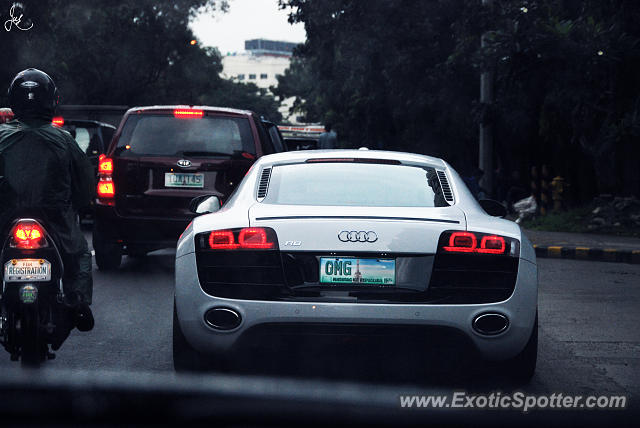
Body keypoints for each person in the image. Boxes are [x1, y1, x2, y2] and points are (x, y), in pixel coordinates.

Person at [0, 68, 94, 333]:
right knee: (78, 254)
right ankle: (78, 301)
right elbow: (85, 184)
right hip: (55, 218)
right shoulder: (64, 140)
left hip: (5, 214)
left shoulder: (1, 136)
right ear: (51, 100)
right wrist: (78, 205)